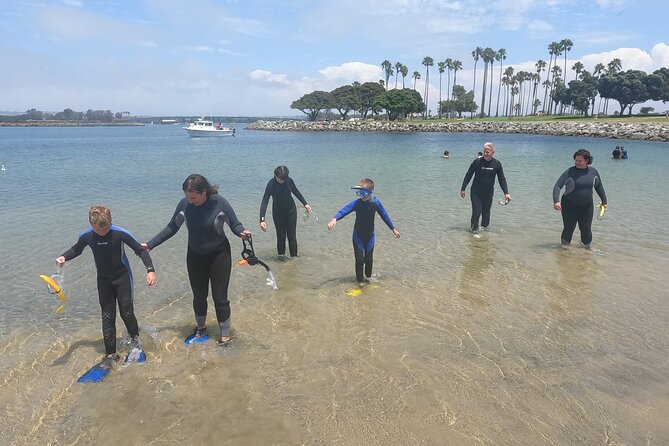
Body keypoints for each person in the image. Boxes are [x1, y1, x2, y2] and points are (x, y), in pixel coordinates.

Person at [145, 174, 251, 346]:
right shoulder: (184, 205)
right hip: (195, 256)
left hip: (219, 255)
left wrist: (242, 232)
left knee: (220, 298)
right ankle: (201, 329)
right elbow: (172, 227)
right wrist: (150, 245)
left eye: (193, 197)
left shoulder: (219, 203)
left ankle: (225, 337)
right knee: (199, 296)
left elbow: (235, 224)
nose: (190, 201)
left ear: (204, 192)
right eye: (187, 197)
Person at [56, 206, 156, 362]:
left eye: (106, 228)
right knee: (107, 316)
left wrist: (150, 270)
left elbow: (141, 250)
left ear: (111, 221)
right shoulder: (87, 236)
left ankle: (136, 342)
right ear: (90, 223)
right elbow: (76, 249)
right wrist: (64, 257)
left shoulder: (120, 233)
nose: (103, 232)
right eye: (98, 230)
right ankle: (110, 354)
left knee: (126, 313)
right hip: (103, 281)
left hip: (123, 278)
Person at [327, 178, 400, 286]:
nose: (361, 195)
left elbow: (384, 215)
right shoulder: (357, 203)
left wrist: (393, 229)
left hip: (370, 236)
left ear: (370, 192)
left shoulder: (376, 203)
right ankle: (360, 282)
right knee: (359, 259)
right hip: (358, 236)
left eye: (364, 193)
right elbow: (345, 210)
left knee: (369, 259)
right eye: (360, 193)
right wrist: (335, 219)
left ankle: (369, 279)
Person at [553, 149, 607, 248]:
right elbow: (557, 186)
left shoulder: (593, 172)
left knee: (586, 228)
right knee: (569, 228)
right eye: (576, 160)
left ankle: (587, 250)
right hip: (569, 205)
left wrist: (604, 201)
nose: (577, 163)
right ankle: (564, 250)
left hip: (587, 206)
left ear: (587, 161)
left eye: (580, 161)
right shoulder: (570, 172)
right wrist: (556, 201)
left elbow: (599, 187)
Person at [259, 165, 312, 258]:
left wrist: (305, 203)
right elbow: (265, 201)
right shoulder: (271, 184)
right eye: (279, 178)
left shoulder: (289, 181)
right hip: (277, 213)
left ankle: (294, 259)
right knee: (281, 236)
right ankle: (281, 258)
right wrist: (262, 220)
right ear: (275, 176)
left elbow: (296, 191)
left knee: (291, 236)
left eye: (283, 179)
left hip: (291, 211)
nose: (281, 180)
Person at [460, 142, 512, 234]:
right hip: (476, 192)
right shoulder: (477, 162)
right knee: (476, 212)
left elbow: (502, 179)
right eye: (484, 151)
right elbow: (469, 175)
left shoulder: (497, 164)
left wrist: (506, 193)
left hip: (488, 193)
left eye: (487, 152)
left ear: (493, 152)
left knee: (486, 214)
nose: (485, 154)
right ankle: (474, 231)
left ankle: (484, 231)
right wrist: (463, 188)